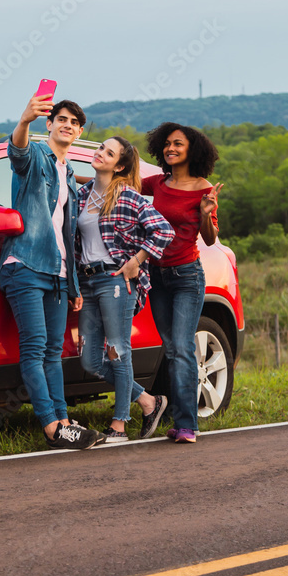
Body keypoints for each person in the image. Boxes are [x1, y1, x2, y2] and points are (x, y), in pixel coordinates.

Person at [0, 92, 104, 450]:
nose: (67, 126)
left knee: (53, 352)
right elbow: (18, 153)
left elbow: (67, 232)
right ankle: (50, 426)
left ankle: (64, 420)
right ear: (50, 124)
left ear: (79, 131)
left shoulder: (69, 172)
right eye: (62, 119)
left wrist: (72, 284)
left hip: (57, 274)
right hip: (26, 264)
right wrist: (24, 119)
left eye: (74, 123)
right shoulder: (39, 156)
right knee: (35, 348)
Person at [76, 136, 174, 442]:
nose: (99, 153)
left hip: (116, 282)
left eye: (108, 152)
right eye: (100, 148)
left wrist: (137, 260)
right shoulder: (81, 195)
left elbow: (163, 229)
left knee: (118, 351)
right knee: (90, 360)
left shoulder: (127, 197)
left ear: (119, 165)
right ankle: (149, 401)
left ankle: (119, 425)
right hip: (87, 281)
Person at [139, 122, 223, 444]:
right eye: (167, 144)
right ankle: (178, 417)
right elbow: (122, 183)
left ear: (192, 151)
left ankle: (187, 425)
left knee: (184, 347)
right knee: (173, 348)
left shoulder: (205, 190)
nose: (170, 149)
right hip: (157, 277)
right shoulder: (159, 183)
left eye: (178, 144)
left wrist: (205, 213)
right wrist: (67, 174)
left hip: (187, 276)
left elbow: (210, 239)